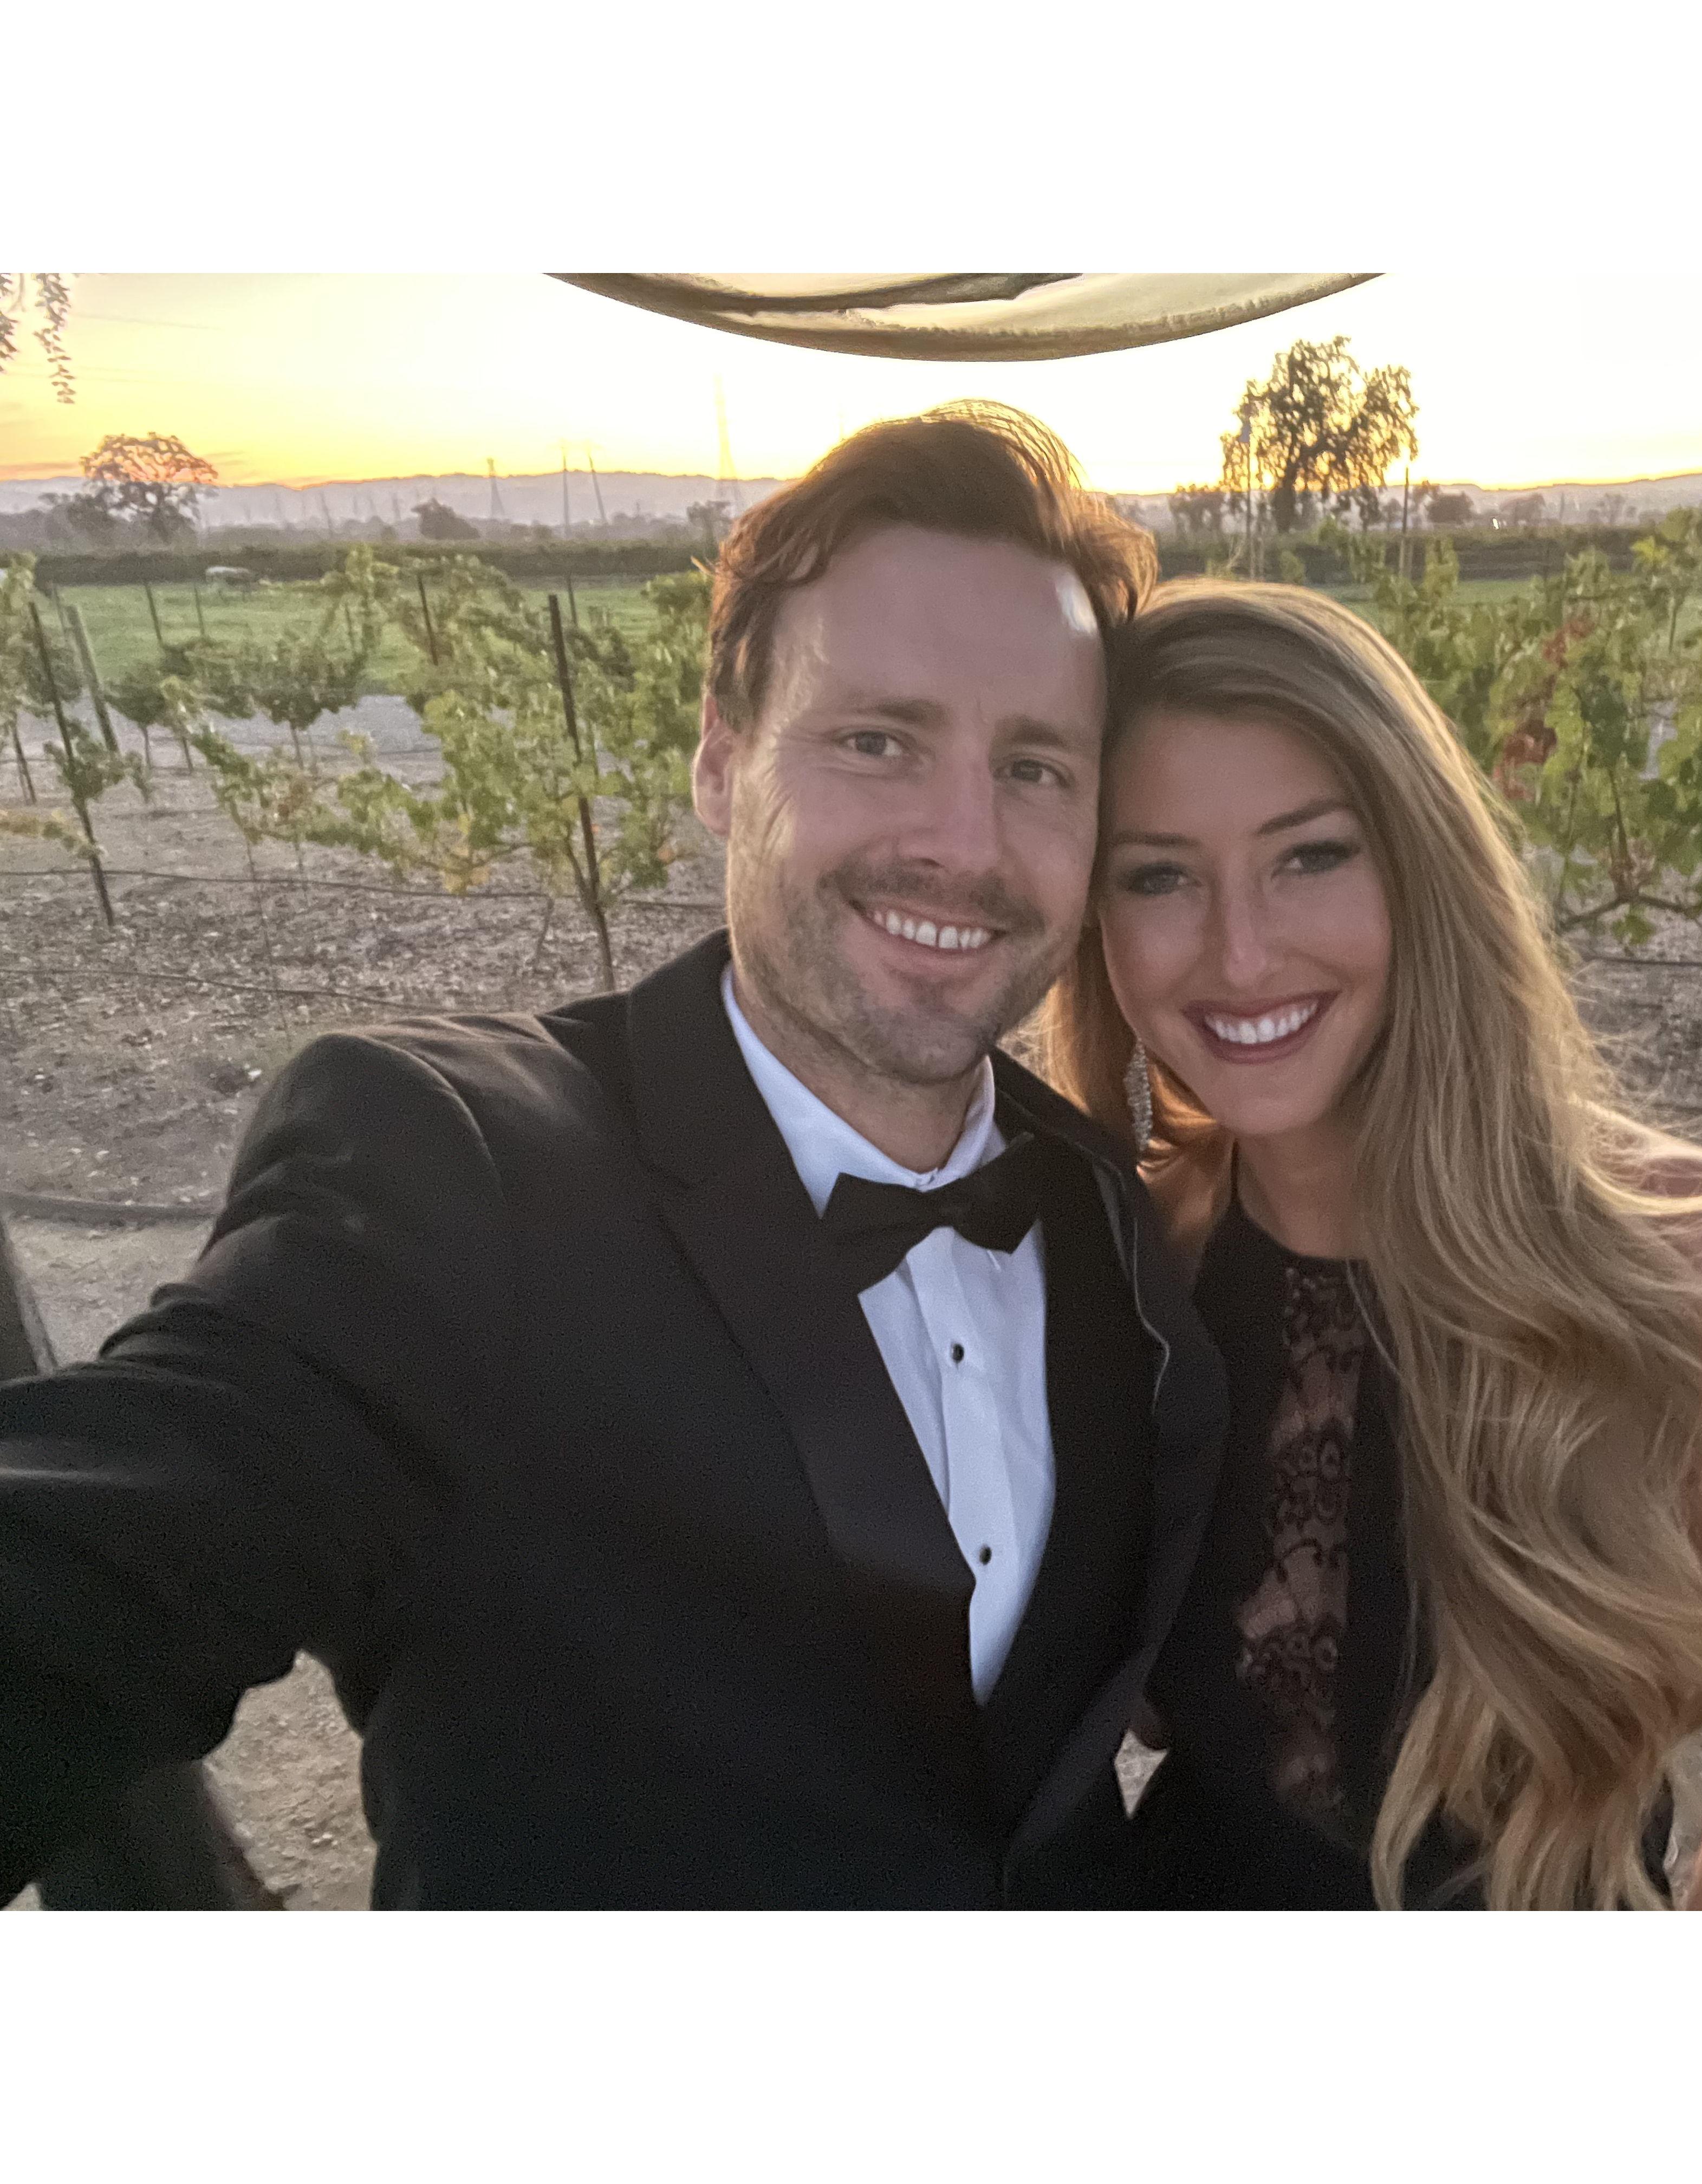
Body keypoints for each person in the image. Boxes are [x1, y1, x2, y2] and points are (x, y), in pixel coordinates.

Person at [0, 405, 1228, 1909]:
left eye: (1036, 767)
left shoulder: (1103, 1206)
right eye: (877, 741)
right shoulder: (448, 1171)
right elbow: (111, 1546)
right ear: (722, 759)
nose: (965, 843)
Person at [1043, 580, 1702, 1909]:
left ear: (1420, 865)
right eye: (1158, 876)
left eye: (1310, 856)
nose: (1241, 954)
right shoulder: (1132, 1259)